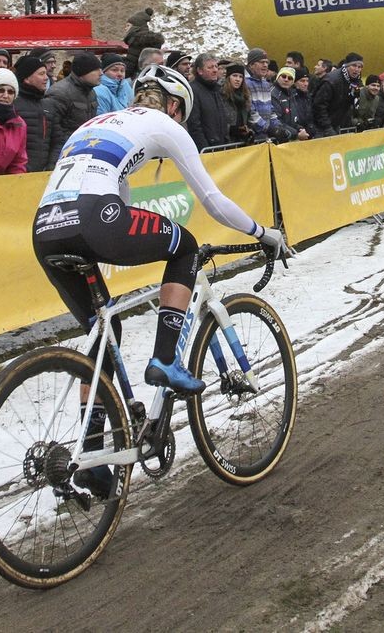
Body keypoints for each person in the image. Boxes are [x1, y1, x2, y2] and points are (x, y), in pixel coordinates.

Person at [32, 65, 291, 496]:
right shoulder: (162, 123)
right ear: (175, 105)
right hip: (95, 217)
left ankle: (93, 455)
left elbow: (118, 197)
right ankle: (166, 359)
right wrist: (265, 233)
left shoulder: (95, 123)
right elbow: (212, 200)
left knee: (104, 327)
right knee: (185, 247)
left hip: (46, 227)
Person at [42, 51, 101, 167]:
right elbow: (53, 132)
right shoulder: (59, 93)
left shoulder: (91, 92)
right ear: (83, 72)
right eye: (96, 70)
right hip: (64, 155)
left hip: (84, 152)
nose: (101, 73)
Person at [13, 55, 55, 172]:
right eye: (41, 74)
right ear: (26, 78)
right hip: (19, 173)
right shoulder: (13, 104)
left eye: (46, 73)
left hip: (44, 173)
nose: (46, 78)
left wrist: (51, 166)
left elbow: (57, 139)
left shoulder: (48, 105)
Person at [313, 53, 364, 136]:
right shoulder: (331, 80)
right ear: (346, 66)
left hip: (336, 123)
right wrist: (327, 127)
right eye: (354, 66)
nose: (357, 69)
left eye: (360, 67)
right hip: (321, 126)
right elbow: (319, 106)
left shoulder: (355, 80)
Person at [186, 53, 228, 150]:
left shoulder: (216, 90)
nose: (215, 70)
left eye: (216, 67)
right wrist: (205, 149)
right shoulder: (193, 90)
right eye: (210, 67)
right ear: (200, 70)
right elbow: (194, 125)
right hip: (207, 150)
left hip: (222, 147)